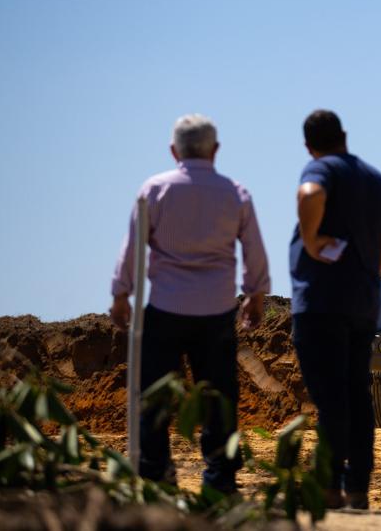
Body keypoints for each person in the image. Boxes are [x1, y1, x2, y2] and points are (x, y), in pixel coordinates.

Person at [110, 114, 270, 493]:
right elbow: (254, 251)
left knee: (156, 395)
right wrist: (256, 295)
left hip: (165, 308)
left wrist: (121, 294)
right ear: (215, 150)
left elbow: (132, 247)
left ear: (173, 150)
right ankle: (220, 479)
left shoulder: (154, 189)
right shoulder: (236, 193)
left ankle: (155, 474)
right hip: (216, 311)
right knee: (218, 397)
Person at [289, 110, 381, 510]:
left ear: (308, 144)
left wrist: (310, 239)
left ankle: (329, 484)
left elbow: (309, 194)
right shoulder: (378, 180)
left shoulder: (320, 169)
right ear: (345, 135)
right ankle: (358, 487)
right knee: (357, 394)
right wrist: (375, 268)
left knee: (331, 398)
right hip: (362, 301)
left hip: (320, 302)